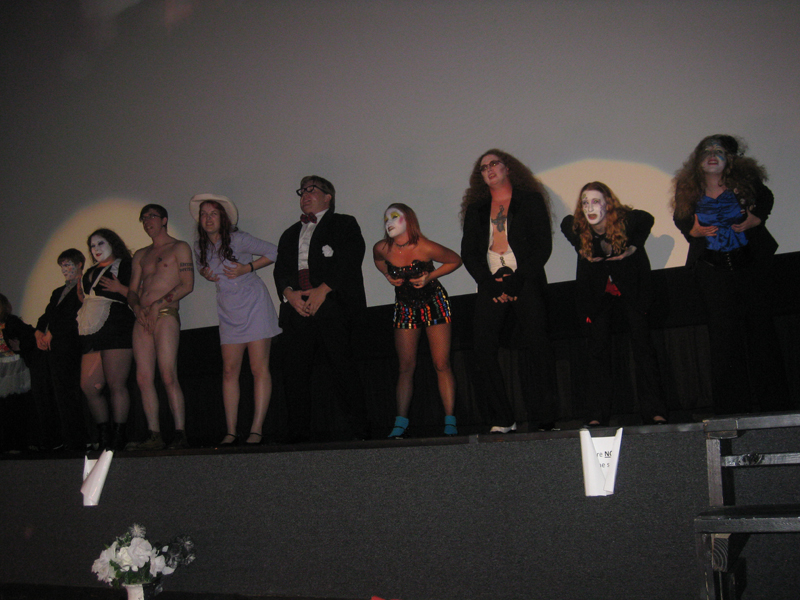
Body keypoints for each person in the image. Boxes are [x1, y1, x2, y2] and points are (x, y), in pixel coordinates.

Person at [671, 135, 789, 415]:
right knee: (724, 341)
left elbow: (766, 198)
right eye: (707, 151)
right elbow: (680, 217)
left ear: (730, 159)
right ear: (698, 160)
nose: (713, 155)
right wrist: (692, 231)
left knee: (761, 334)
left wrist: (757, 218)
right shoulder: (689, 190)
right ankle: (733, 409)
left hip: (750, 267)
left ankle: (775, 406)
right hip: (713, 272)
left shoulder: (744, 183)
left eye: (720, 151)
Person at [460, 149, 559, 433]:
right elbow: (469, 252)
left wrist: (518, 279)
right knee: (482, 348)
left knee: (538, 346)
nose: (489, 169)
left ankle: (544, 418)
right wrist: (488, 283)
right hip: (491, 280)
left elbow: (542, 246)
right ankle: (502, 418)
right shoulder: (477, 209)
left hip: (525, 278)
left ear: (508, 168)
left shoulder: (529, 200)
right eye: (483, 167)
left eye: (494, 163)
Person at [561, 182, 668, 426]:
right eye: (585, 203)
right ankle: (597, 414)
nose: (590, 207)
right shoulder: (579, 228)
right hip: (598, 295)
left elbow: (646, 218)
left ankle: (654, 411)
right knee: (597, 352)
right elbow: (566, 223)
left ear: (608, 204)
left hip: (631, 290)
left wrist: (633, 246)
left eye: (595, 201)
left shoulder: (626, 222)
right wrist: (583, 247)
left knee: (643, 349)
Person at [274, 175, 369, 443]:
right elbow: (281, 270)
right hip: (296, 308)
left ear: (328, 197)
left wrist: (323, 289)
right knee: (294, 374)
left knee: (343, 368)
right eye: (302, 191)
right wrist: (289, 294)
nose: (305, 195)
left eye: (311, 190)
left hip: (332, 306)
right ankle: (298, 437)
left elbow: (351, 258)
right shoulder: (289, 233)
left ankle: (359, 433)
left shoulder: (344, 223)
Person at [191, 194, 281, 446]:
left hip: (254, 305)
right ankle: (231, 431)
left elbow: (275, 251)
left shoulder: (239, 239)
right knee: (229, 370)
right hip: (228, 310)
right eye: (204, 214)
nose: (208, 218)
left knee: (258, 368)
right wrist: (205, 273)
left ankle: (256, 429)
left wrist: (247, 268)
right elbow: (203, 266)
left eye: (213, 213)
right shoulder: (199, 246)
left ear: (223, 218)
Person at [373, 203, 462, 438]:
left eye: (395, 217)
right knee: (405, 366)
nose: (389, 222)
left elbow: (455, 260)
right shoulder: (382, 247)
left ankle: (450, 420)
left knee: (441, 363)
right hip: (405, 306)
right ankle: (400, 422)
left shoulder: (425, 246)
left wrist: (430, 276)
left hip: (434, 303)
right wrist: (387, 275)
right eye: (386, 219)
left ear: (409, 220)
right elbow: (378, 260)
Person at [128, 204, 194, 450]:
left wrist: (158, 304)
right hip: (142, 316)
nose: (147, 222)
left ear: (164, 220)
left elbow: (187, 284)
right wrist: (137, 308)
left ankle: (179, 432)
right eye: (143, 218)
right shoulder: (140, 255)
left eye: (152, 216)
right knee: (143, 377)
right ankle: (154, 434)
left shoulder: (179, 247)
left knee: (167, 374)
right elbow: (132, 291)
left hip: (165, 313)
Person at [78, 229, 135, 451]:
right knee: (89, 386)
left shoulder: (125, 265)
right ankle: (104, 433)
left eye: (101, 243)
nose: (96, 249)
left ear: (113, 243)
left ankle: (119, 435)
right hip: (92, 331)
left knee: (115, 383)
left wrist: (120, 288)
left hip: (117, 327)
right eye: (92, 246)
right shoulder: (89, 272)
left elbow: (139, 294)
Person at [34, 248, 88, 450]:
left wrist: (52, 332)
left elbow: (72, 317)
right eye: (62, 266)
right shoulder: (58, 291)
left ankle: (76, 440)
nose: (64, 269)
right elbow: (47, 315)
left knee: (69, 392)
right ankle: (62, 438)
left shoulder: (83, 288)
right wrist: (38, 332)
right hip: (53, 349)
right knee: (56, 393)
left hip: (69, 347)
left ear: (79, 264)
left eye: (68, 265)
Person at [0, 293, 35, 452]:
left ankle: (17, 443)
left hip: (13, 366)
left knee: (14, 406)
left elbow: (30, 335)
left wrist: (20, 346)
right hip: (2, 367)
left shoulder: (11, 322)